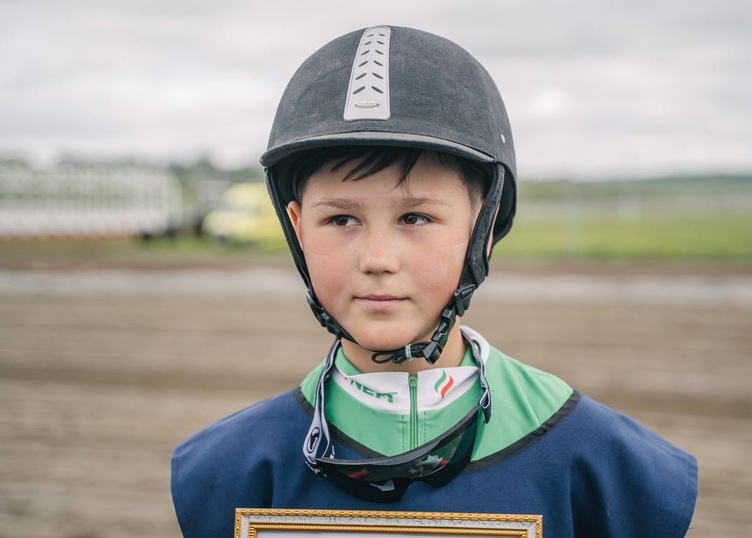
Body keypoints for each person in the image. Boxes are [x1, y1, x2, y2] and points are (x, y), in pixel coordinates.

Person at [171, 25, 697, 538]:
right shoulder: (231, 471)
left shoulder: (604, 468)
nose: (377, 259)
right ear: (297, 228)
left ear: (484, 230)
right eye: (341, 219)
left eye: (416, 218)